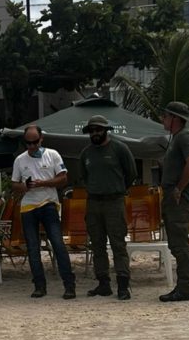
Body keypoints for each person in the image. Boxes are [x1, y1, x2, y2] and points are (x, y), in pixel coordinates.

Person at [11, 125, 76, 299]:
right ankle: (39, 286)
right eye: (27, 143)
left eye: (34, 142)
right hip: (28, 206)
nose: (31, 146)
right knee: (32, 248)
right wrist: (25, 186)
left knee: (57, 244)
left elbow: (63, 178)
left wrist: (43, 183)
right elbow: (14, 185)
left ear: (41, 139)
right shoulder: (20, 160)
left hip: (49, 203)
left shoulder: (52, 154)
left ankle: (69, 285)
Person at [79, 115, 137, 300]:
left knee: (118, 243)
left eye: (99, 129)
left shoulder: (120, 148)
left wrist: (118, 189)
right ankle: (103, 283)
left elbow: (131, 173)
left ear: (106, 130)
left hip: (115, 201)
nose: (95, 133)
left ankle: (123, 284)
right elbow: (83, 177)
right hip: (93, 202)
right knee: (97, 245)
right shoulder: (86, 153)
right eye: (92, 130)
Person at [158, 101, 189, 302]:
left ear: (174, 118)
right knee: (179, 242)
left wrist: (179, 188)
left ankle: (184, 288)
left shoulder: (184, 136)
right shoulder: (178, 137)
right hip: (175, 195)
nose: (163, 119)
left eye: (166, 115)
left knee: (178, 244)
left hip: (179, 196)